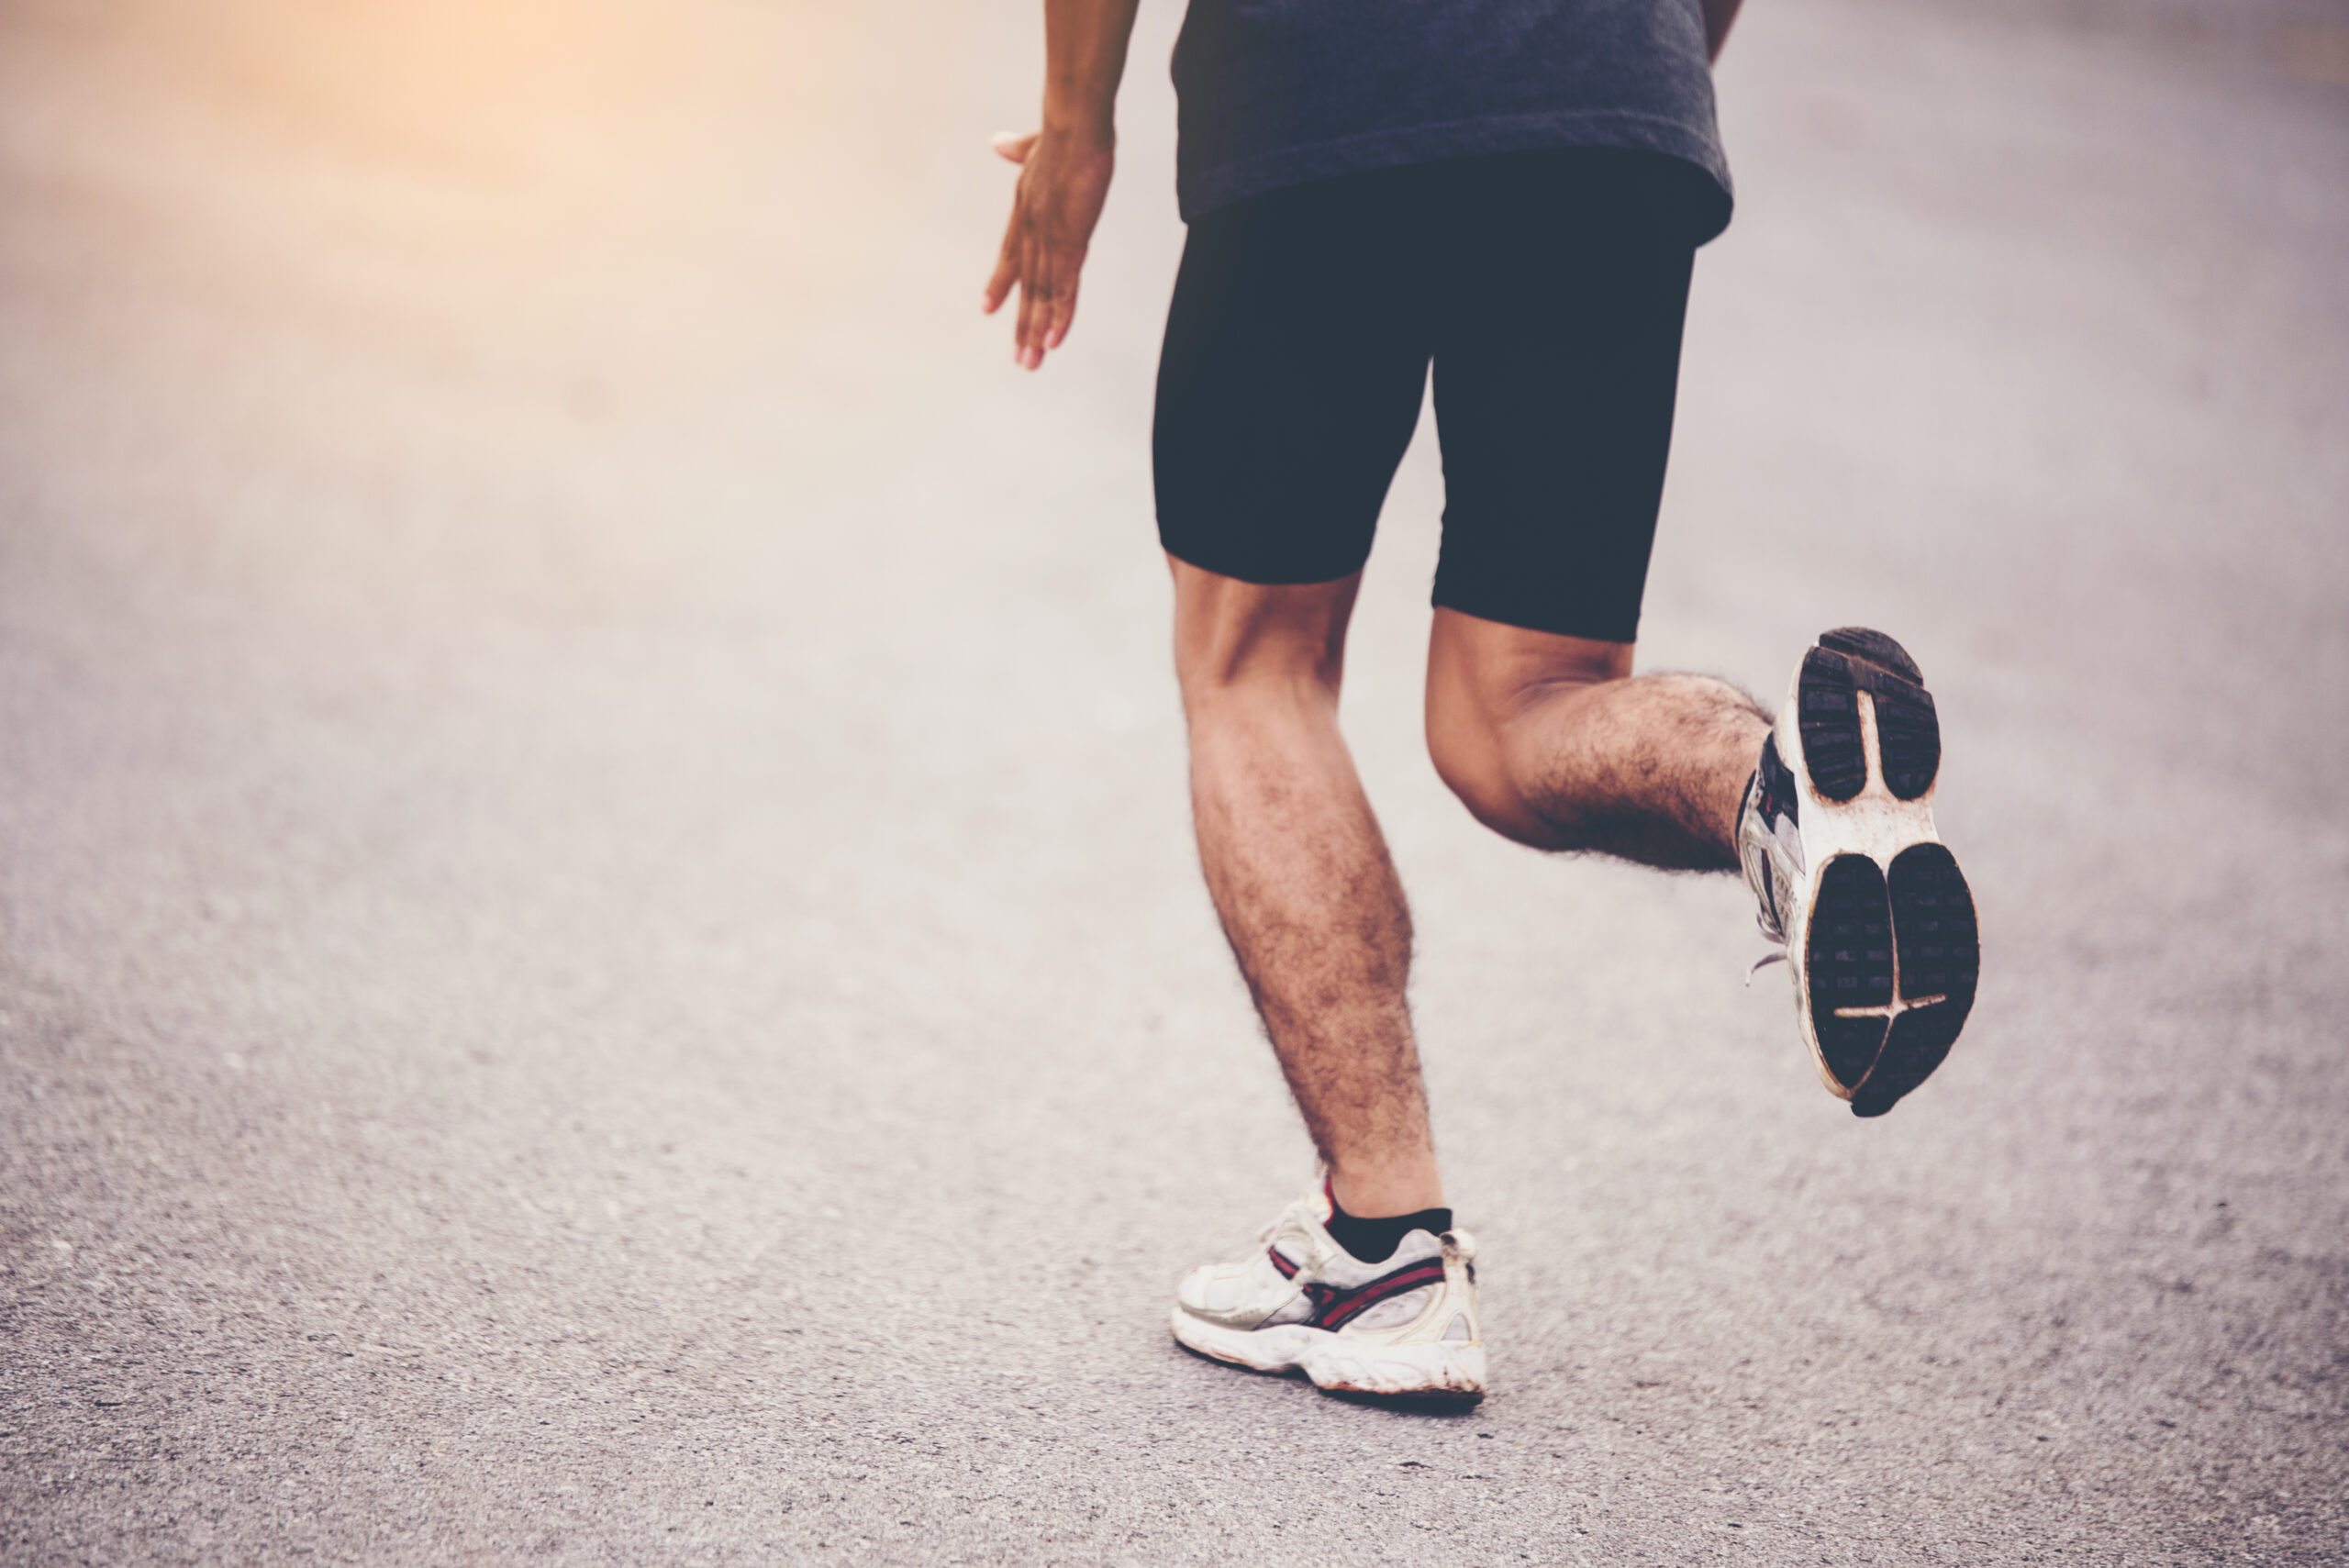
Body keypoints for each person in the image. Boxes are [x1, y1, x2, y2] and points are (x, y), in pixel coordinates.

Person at [983, 0, 1978, 1407]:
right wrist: (1617, 76)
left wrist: (1077, 126)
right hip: (1617, 105)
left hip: (1329, 89)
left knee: (1250, 658)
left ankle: (1387, 1253)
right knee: (1525, 707)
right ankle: (1784, 792)